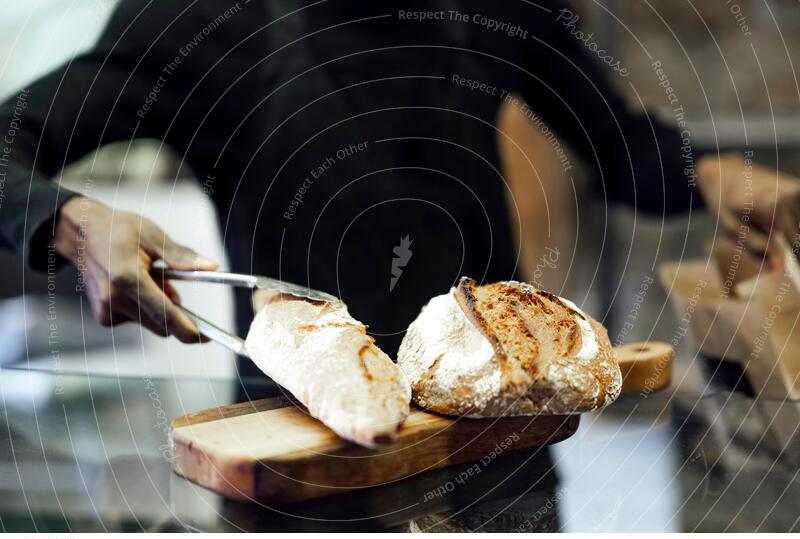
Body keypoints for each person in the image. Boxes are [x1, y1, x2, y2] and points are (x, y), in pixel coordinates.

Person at [1, 0, 797, 362]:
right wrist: (68, 219)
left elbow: (620, 149)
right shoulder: (197, 19)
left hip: (501, 436)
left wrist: (711, 175)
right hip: (305, 456)